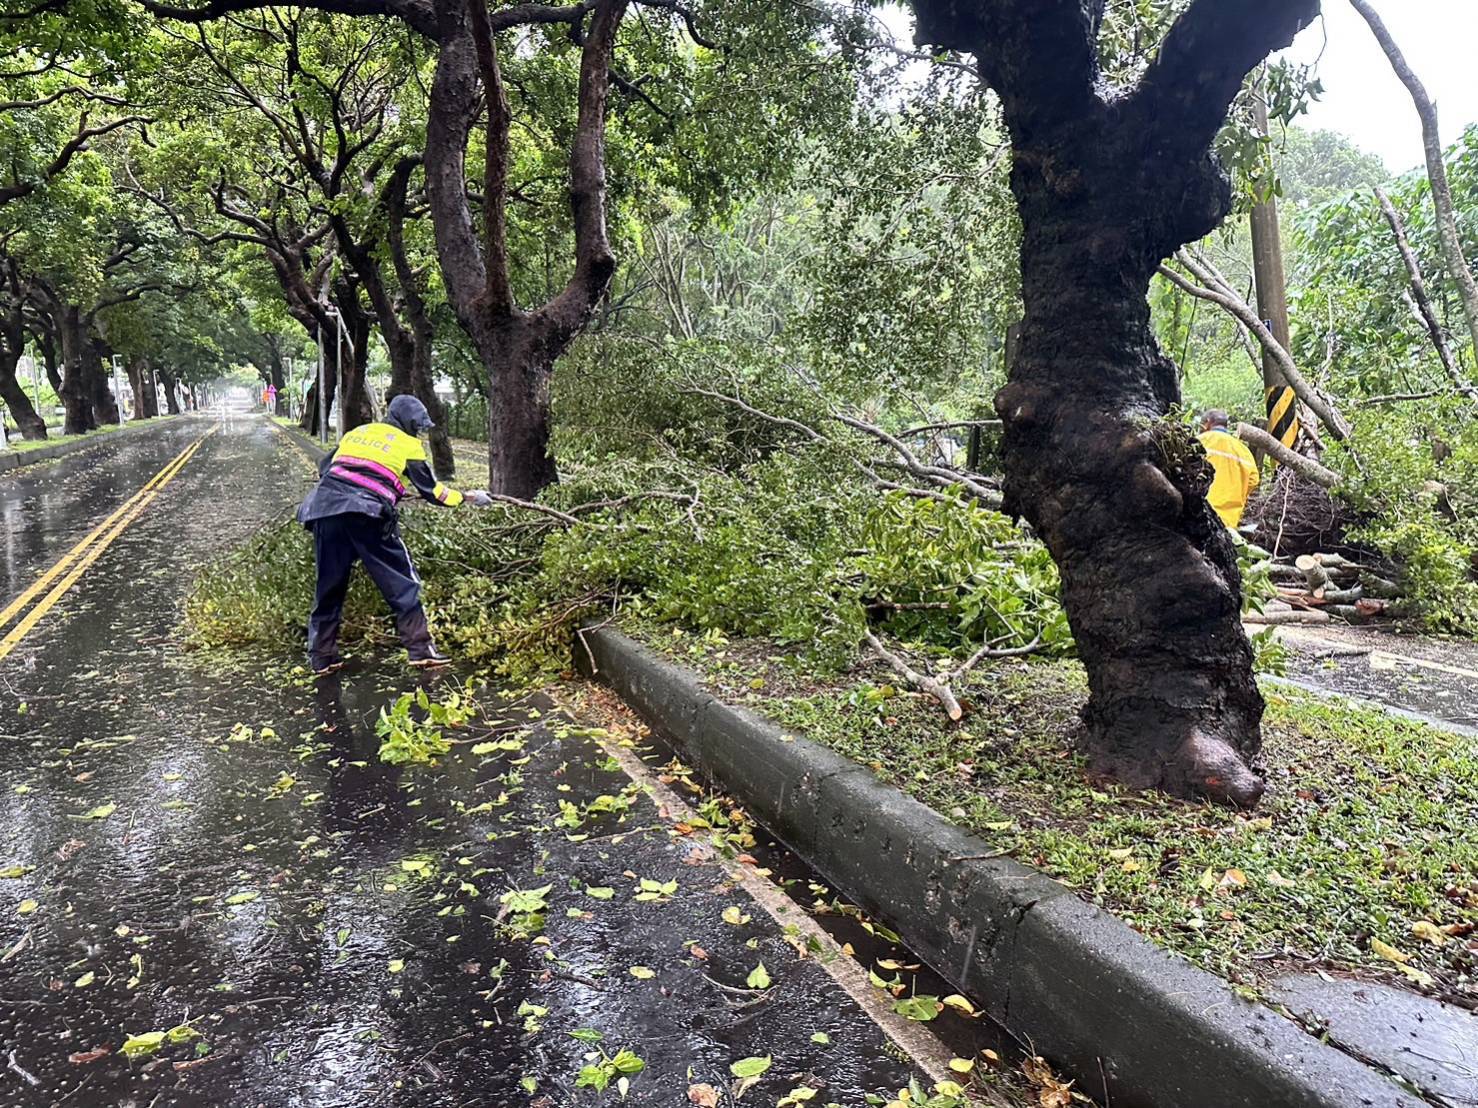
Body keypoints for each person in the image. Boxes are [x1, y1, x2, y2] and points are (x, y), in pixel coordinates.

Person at [297, 394, 491, 675]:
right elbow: (434, 492)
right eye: (418, 426)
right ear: (409, 423)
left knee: (329, 586)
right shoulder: (408, 444)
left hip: (324, 510)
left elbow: (325, 468)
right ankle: (421, 650)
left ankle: (321, 657)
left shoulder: (358, 433)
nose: (419, 432)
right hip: (367, 515)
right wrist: (470, 497)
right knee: (402, 581)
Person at [1198, 409, 1260, 529]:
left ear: (1207, 423)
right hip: (1229, 522)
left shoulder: (1199, 441)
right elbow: (1253, 481)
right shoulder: (1243, 450)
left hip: (1199, 515)